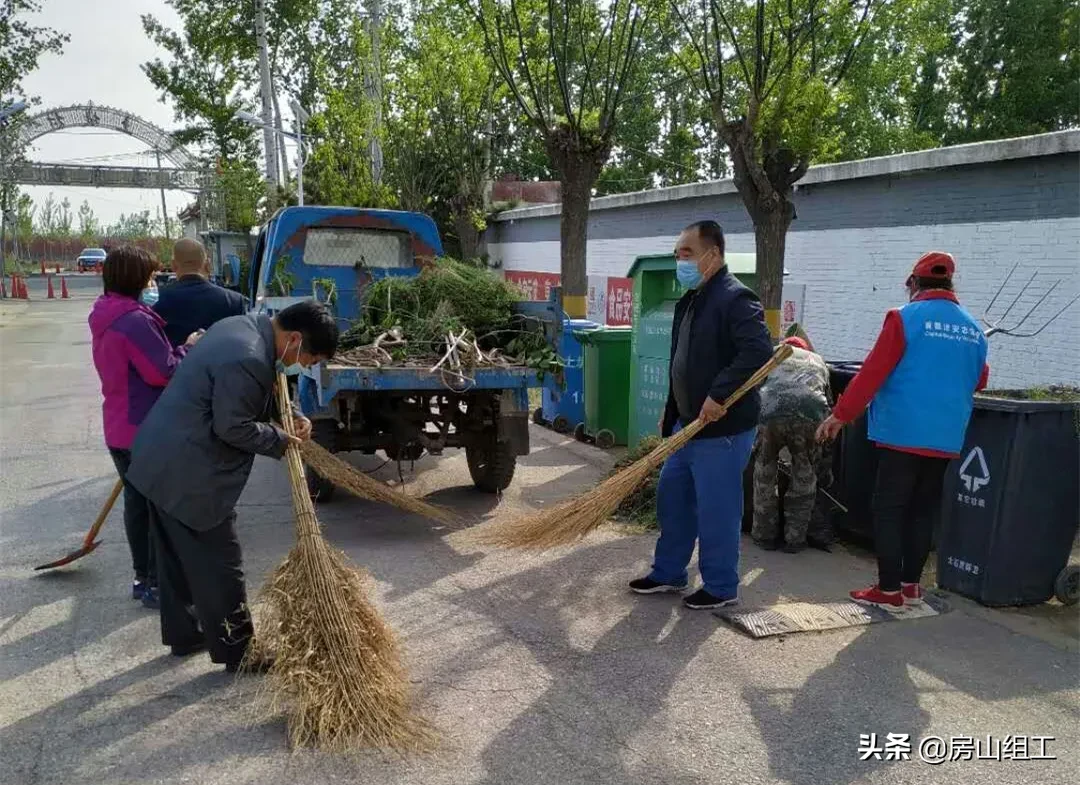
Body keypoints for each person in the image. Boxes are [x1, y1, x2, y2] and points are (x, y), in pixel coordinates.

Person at [126, 301, 340, 671]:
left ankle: (185, 636)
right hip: (187, 471)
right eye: (311, 357)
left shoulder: (240, 328)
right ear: (294, 339)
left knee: (175, 558)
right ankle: (238, 652)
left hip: (157, 460)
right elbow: (233, 426)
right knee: (222, 563)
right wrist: (281, 440)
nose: (307, 366)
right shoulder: (249, 357)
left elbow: (252, 394)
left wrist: (294, 416)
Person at [817, 252, 989, 610]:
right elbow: (980, 379)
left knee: (890, 509)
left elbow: (873, 372)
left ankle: (889, 590)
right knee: (923, 510)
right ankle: (911, 588)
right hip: (946, 435)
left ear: (914, 283)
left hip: (902, 432)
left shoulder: (904, 318)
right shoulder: (974, 330)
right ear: (950, 284)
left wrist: (840, 414)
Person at [629, 220, 774, 609]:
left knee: (717, 510)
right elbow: (683, 361)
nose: (681, 261)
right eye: (678, 254)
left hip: (722, 429)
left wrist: (718, 394)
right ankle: (669, 572)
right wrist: (672, 409)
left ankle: (721, 586)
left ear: (713, 254)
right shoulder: (691, 299)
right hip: (686, 426)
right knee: (673, 498)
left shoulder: (735, 298)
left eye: (687, 253)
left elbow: (759, 352)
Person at [89, 246, 199, 608]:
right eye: (150, 276)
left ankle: (144, 578)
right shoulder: (134, 321)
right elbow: (163, 372)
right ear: (136, 279)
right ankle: (156, 582)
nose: (153, 282)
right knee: (158, 509)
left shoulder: (105, 314)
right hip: (144, 430)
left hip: (119, 426)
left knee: (138, 505)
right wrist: (188, 347)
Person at [752, 336, 831, 553]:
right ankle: (794, 540)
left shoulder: (774, 354)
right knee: (804, 475)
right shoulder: (818, 360)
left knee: (764, 472)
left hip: (771, 413)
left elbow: (755, 388)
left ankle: (764, 535)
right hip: (810, 414)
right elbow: (828, 400)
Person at [153, 238, 246, 347]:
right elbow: (241, 347)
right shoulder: (234, 301)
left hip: (178, 363)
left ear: (173, 265)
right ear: (207, 264)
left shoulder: (156, 300)